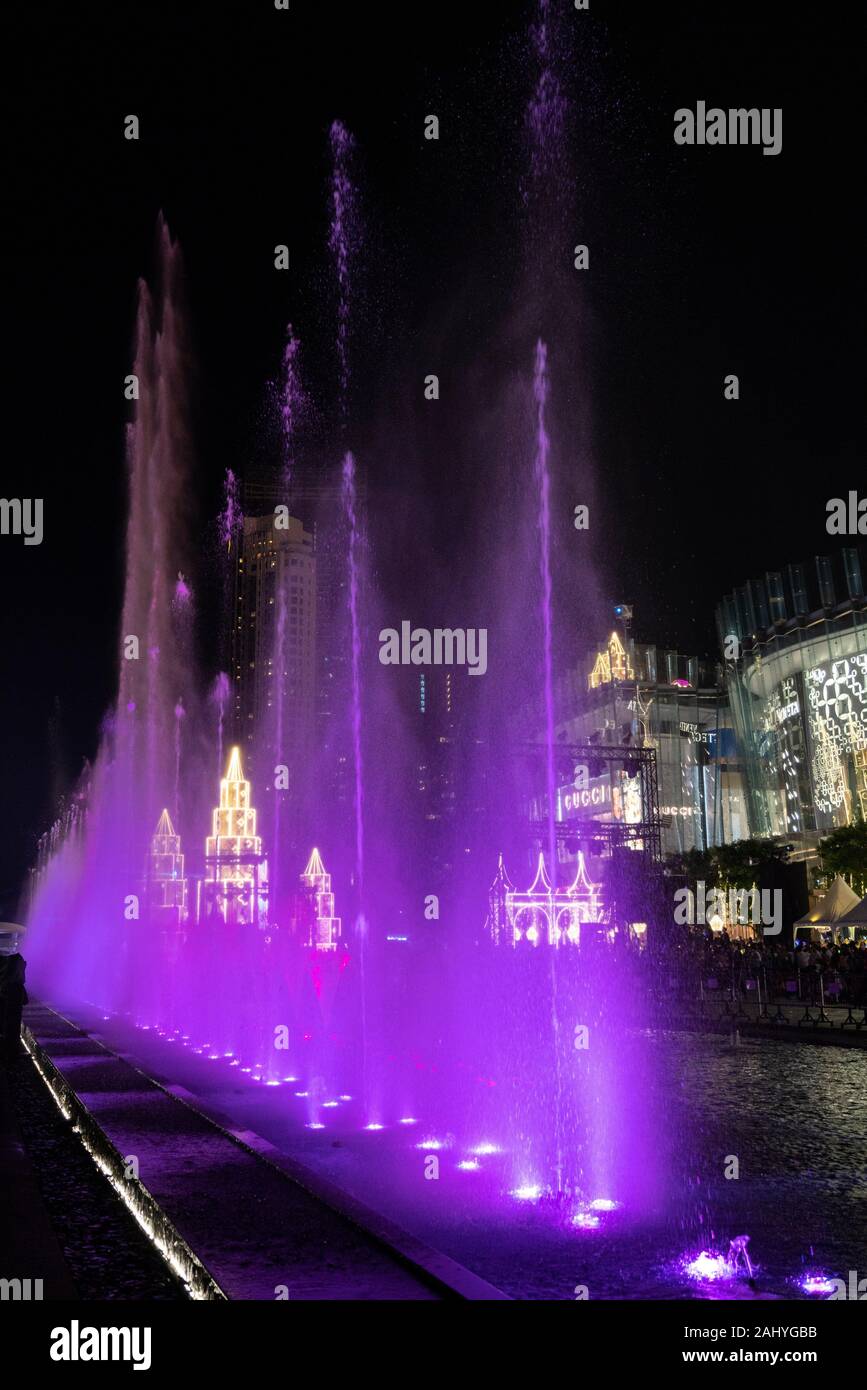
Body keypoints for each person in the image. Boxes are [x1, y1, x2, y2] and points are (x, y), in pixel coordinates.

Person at [0, 922, 28, 1060]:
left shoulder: (14, 959)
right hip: (12, 993)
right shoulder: (16, 959)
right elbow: (20, 977)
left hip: (10, 993)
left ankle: (10, 1050)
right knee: (11, 1023)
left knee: (10, 1022)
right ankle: (10, 1050)